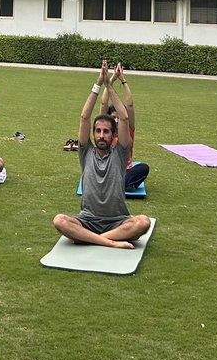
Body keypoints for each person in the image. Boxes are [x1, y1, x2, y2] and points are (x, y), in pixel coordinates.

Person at [53, 62, 152, 248]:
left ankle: (89, 239)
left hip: (117, 220)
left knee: (143, 222)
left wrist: (109, 84)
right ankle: (110, 242)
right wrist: (98, 84)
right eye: (97, 131)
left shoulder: (120, 154)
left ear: (113, 135)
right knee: (59, 220)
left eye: (106, 132)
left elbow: (124, 118)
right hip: (88, 220)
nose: (101, 135)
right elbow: (84, 118)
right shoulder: (86, 152)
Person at [100, 62, 150, 192]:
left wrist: (123, 80)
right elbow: (103, 102)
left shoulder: (128, 129)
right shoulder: (105, 131)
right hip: (108, 172)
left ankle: (121, 184)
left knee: (143, 168)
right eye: (113, 117)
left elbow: (130, 105)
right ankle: (119, 185)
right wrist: (110, 80)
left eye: (118, 117)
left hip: (125, 173)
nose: (116, 120)